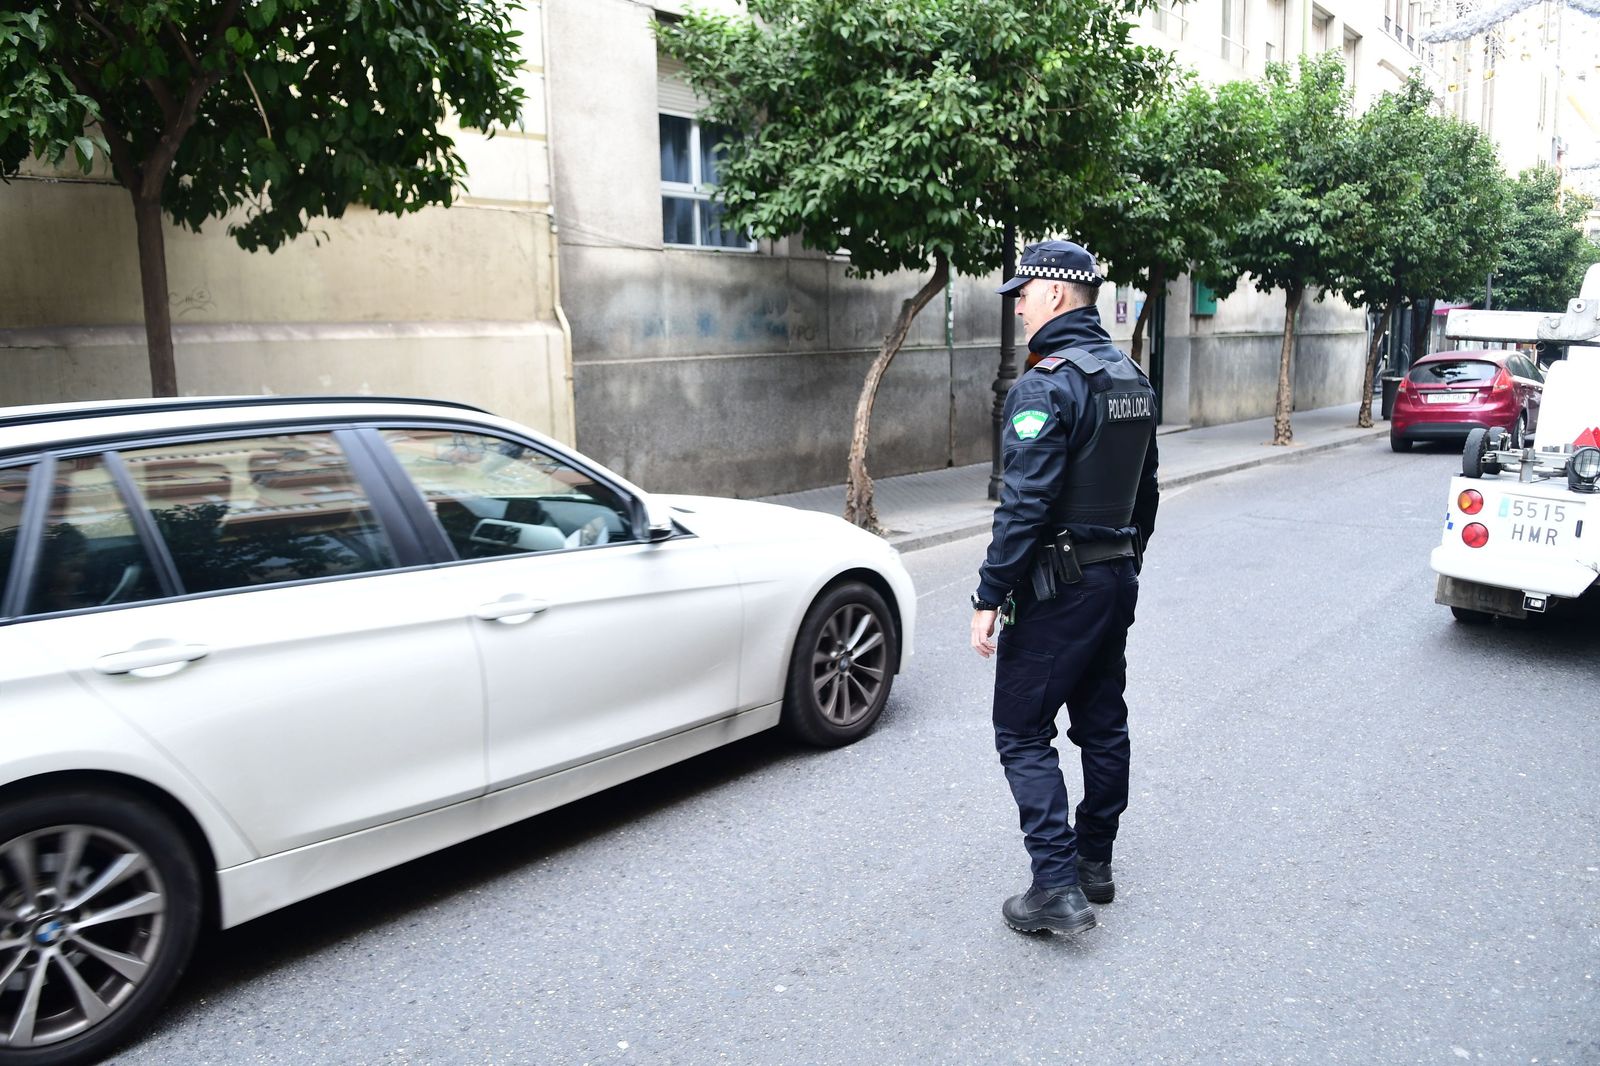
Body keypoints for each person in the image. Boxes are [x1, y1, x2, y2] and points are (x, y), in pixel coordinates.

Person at [969, 239, 1159, 935]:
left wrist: (990, 595)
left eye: (1023, 294)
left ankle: (1054, 885)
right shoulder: (1131, 377)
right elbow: (1147, 491)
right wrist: (1123, 562)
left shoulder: (1045, 385)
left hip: (1058, 588)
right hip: (1114, 577)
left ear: (1054, 294)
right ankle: (1094, 863)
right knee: (1102, 723)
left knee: (1021, 731)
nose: (1019, 307)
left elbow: (1024, 505)